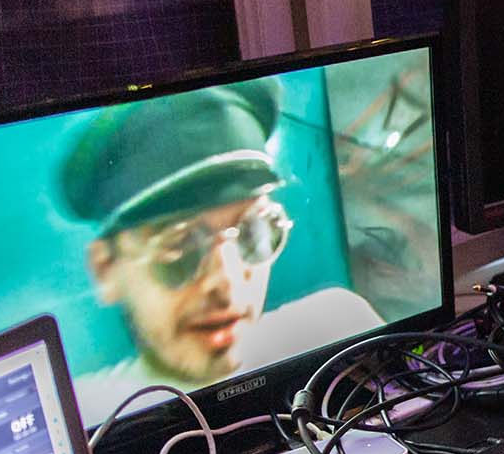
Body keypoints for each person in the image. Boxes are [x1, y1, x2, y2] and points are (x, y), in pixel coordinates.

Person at [63, 78, 381, 415]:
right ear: (106, 270)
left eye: (254, 233)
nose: (227, 284)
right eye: (179, 247)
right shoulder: (85, 417)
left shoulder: (339, 325)